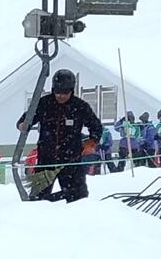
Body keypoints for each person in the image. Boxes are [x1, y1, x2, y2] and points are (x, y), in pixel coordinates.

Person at [17, 68, 102, 202]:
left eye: (65, 92)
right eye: (57, 92)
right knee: (38, 199)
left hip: (71, 161)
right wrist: (22, 125)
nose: (60, 96)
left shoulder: (80, 106)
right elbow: (25, 120)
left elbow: (96, 126)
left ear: (71, 90)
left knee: (78, 199)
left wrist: (91, 143)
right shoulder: (44, 103)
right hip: (46, 160)